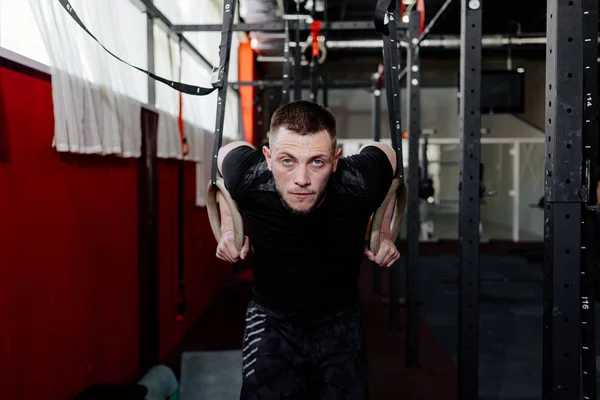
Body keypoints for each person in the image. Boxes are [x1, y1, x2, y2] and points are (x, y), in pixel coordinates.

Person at [215, 100, 400, 399]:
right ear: (268, 157)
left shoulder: (358, 182)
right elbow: (220, 162)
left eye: (317, 162)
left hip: (340, 321)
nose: (302, 179)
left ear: (336, 160)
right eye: (287, 160)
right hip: (270, 319)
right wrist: (228, 230)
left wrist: (384, 232)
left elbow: (391, 160)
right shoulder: (249, 178)